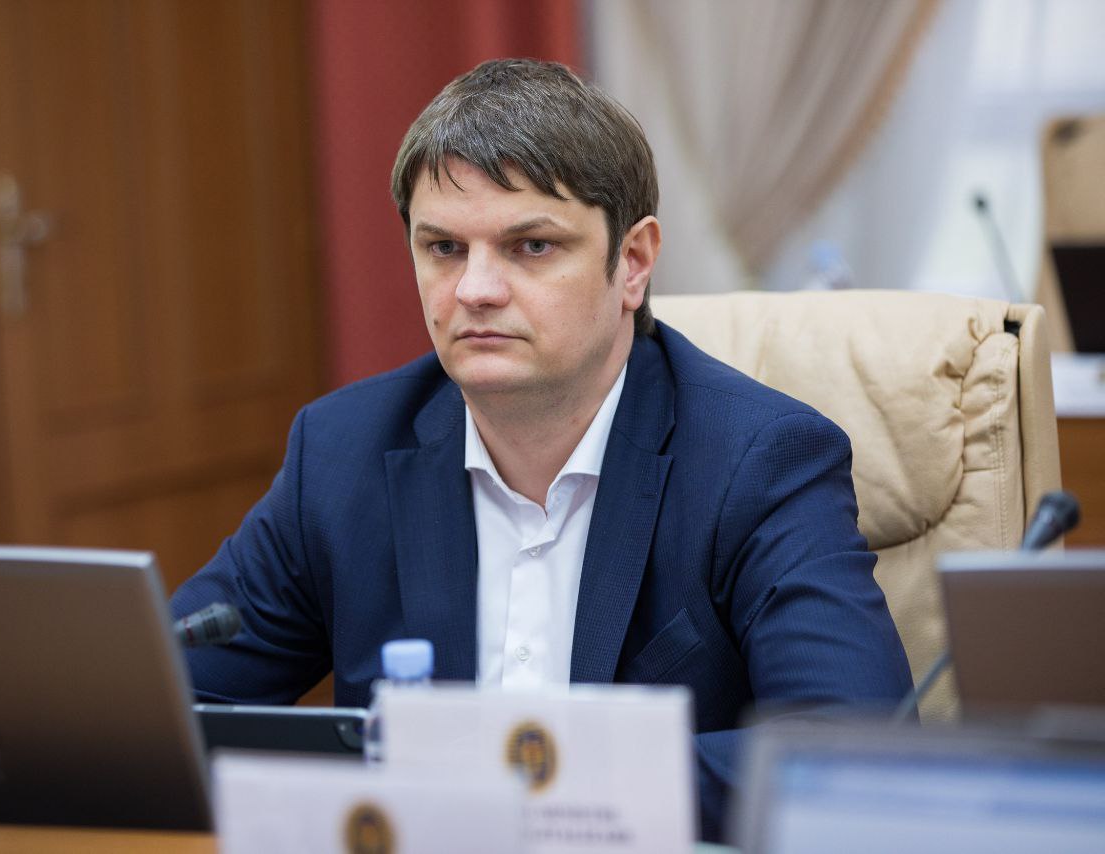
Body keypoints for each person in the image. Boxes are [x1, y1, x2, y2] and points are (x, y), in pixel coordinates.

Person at [171, 58, 912, 840]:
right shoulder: (342, 452)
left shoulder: (758, 462)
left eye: (530, 246)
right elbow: (174, 708)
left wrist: (529, 791)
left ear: (632, 262)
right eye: (444, 248)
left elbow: (852, 756)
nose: (475, 289)